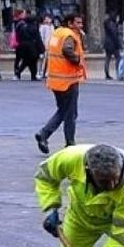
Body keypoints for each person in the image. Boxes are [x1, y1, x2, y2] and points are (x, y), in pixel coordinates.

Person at [35, 12, 87, 154]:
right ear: (70, 23)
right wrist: (77, 60)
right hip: (68, 80)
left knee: (63, 110)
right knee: (70, 113)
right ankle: (68, 143)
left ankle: (45, 135)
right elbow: (67, 50)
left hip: (56, 80)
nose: (80, 26)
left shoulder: (57, 33)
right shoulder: (69, 35)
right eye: (78, 23)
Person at [103, 10, 121, 80]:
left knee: (107, 58)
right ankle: (118, 72)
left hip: (107, 43)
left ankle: (107, 73)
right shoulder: (112, 24)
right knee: (118, 58)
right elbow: (114, 34)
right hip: (113, 43)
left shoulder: (107, 22)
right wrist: (118, 44)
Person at [38, 14, 54, 79]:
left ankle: (47, 72)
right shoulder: (42, 27)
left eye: (49, 19)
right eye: (46, 19)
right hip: (44, 45)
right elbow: (41, 37)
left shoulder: (52, 27)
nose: (47, 20)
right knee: (43, 60)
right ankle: (41, 72)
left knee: (49, 60)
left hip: (51, 45)